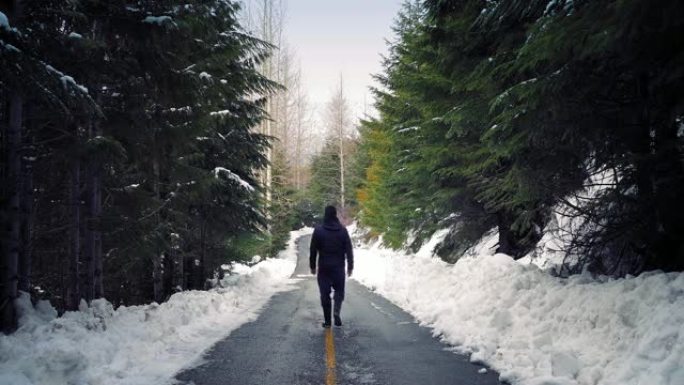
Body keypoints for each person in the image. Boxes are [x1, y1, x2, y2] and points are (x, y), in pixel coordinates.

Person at [310, 205, 354, 328]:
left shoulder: (318, 230)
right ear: (335, 215)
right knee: (339, 291)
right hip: (338, 267)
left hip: (324, 268)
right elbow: (349, 249)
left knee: (325, 294)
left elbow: (313, 250)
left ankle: (328, 321)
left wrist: (312, 266)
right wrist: (350, 266)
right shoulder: (342, 230)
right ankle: (336, 311)